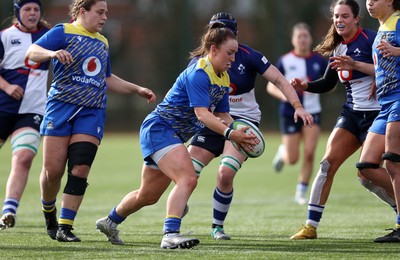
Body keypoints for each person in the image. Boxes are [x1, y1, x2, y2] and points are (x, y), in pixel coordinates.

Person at [94, 21, 265, 249]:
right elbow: (203, 115)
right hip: (160, 129)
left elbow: (223, 113)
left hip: (169, 135)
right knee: (188, 178)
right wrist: (230, 134)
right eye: (229, 53)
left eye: (234, 53)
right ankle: (170, 234)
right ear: (213, 49)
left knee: (148, 195)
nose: (233, 58)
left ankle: (110, 221)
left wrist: (238, 129)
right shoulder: (199, 74)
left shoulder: (223, 77)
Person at [25, 0, 156, 242]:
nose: (105, 17)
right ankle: (49, 211)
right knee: (52, 171)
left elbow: (105, 78)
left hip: (92, 112)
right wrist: (52, 53)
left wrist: (136, 89)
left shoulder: (103, 42)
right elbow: (32, 52)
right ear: (83, 12)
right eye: (100, 12)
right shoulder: (63, 31)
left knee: (80, 168)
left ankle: (65, 226)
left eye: (106, 12)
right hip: (61, 108)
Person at [187, 13, 314, 240]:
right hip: (214, 121)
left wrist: (297, 106)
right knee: (186, 172)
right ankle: (176, 212)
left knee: (225, 174)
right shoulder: (199, 62)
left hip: (244, 121)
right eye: (214, 31)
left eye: (224, 31)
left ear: (234, 36)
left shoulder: (249, 56)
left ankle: (217, 227)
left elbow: (280, 80)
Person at [290, 0, 396, 240]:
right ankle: (310, 226)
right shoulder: (338, 47)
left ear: (356, 19)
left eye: (345, 16)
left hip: (379, 115)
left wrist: (362, 69)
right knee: (327, 164)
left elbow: (387, 70)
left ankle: (398, 209)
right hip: (351, 114)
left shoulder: (372, 39)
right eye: (336, 16)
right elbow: (328, 82)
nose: (339, 20)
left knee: (366, 175)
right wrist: (305, 85)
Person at [0, 0, 51, 230]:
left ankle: (8, 211)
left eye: (36, 9)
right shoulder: (5, 37)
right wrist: (7, 86)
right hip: (2, 109)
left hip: (31, 111)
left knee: (23, 158)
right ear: (17, 13)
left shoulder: (48, 36)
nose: (32, 13)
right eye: (27, 9)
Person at [267, 22, 327, 205]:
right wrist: (288, 97)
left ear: (310, 39)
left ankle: (301, 191)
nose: (302, 39)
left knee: (310, 154)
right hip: (289, 113)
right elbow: (271, 85)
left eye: (305, 36)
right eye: (298, 36)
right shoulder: (285, 61)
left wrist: (314, 87)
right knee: (293, 159)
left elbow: (329, 84)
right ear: (293, 40)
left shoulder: (319, 61)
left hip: (312, 112)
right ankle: (283, 152)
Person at [359, 0, 400, 243]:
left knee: (393, 164)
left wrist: (398, 51)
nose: (370, 2)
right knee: (366, 167)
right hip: (385, 104)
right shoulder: (382, 27)